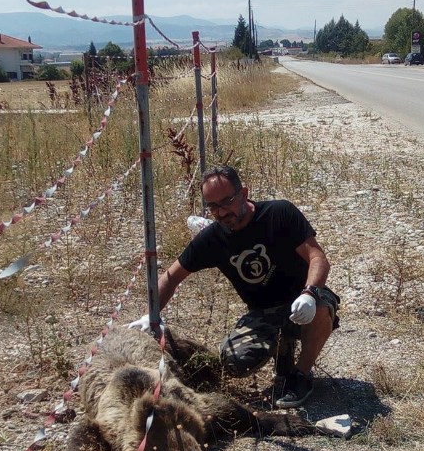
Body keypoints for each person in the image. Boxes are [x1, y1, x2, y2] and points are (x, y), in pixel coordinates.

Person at [131, 165, 340, 408]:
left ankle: (301, 375)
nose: (221, 212)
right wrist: (152, 313)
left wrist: (310, 292)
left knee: (321, 308)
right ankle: (282, 346)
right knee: (234, 361)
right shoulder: (212, 238)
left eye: (227, 201)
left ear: (244, 193)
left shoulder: (278, 213)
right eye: (213, 206)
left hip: (305, 300)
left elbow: (318, 258)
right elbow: (171, 276)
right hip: (263, 312)